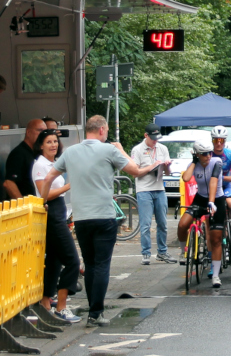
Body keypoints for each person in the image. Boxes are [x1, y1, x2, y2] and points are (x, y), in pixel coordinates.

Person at [39, 115, 149, 326]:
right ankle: (95, 313)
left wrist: (43, 201)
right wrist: (122, 150)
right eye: (106, 131)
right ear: (101, 130)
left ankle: (93, 310)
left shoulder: (70, 152)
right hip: (104, 216)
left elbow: (47, 179)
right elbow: (135, 170)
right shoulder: (109, 150)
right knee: (101, 265)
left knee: (89, 264)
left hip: (81, 218)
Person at [31, 129, 80, 322]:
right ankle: (61, 306)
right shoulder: (39, 165)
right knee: (72, 261)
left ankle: (45, 302)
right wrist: (69, 186)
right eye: (49, 142)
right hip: (51, 212)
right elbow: (45, 193)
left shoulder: (54, 163)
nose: (53, 145)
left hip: (59, 210)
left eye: (55, 142)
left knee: (53, 261)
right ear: (41, 145)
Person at [177, 139, 226, 286]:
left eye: (209, 153)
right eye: (204, 154)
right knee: (182, 224)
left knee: (216, 238)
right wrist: (193, 161)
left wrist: (211, 202)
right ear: (197, 154)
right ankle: (184, 252)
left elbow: (213, 182)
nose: (208, 156)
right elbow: (185, 178)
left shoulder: (216, 162)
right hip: (200, 198)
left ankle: (216, 275)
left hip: (217, 198)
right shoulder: (194, 164)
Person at [131, 124, 175, 265]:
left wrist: (167, 165)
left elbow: (168, 173)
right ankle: (146, 253)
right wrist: (152, 166)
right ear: (146, 136)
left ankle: (162, 252)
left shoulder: (163, 149)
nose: (155, 141)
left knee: (162, 223)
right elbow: (135, 172)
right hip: (144, 189)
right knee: (146, 224)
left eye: (157, 138)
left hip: (159, 188)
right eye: (153, 138)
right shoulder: (137, 150)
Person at [3, 118, 47, 200]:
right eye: (40, 131)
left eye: (45, 132)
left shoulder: (37, 153)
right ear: (28, 132)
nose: (43, 135)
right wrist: (23, 205)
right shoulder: (19, 153)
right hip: (23, 208)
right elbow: (9, 183)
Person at [210, 126, 231, 207]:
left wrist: (221, 178)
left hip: (226, 185)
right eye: (216, 140)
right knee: (208, 210)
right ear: (212, 141)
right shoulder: (208, 154)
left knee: (230, 203)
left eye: (221, 140)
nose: (219, 143)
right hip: (211, 186)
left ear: (225, 141)